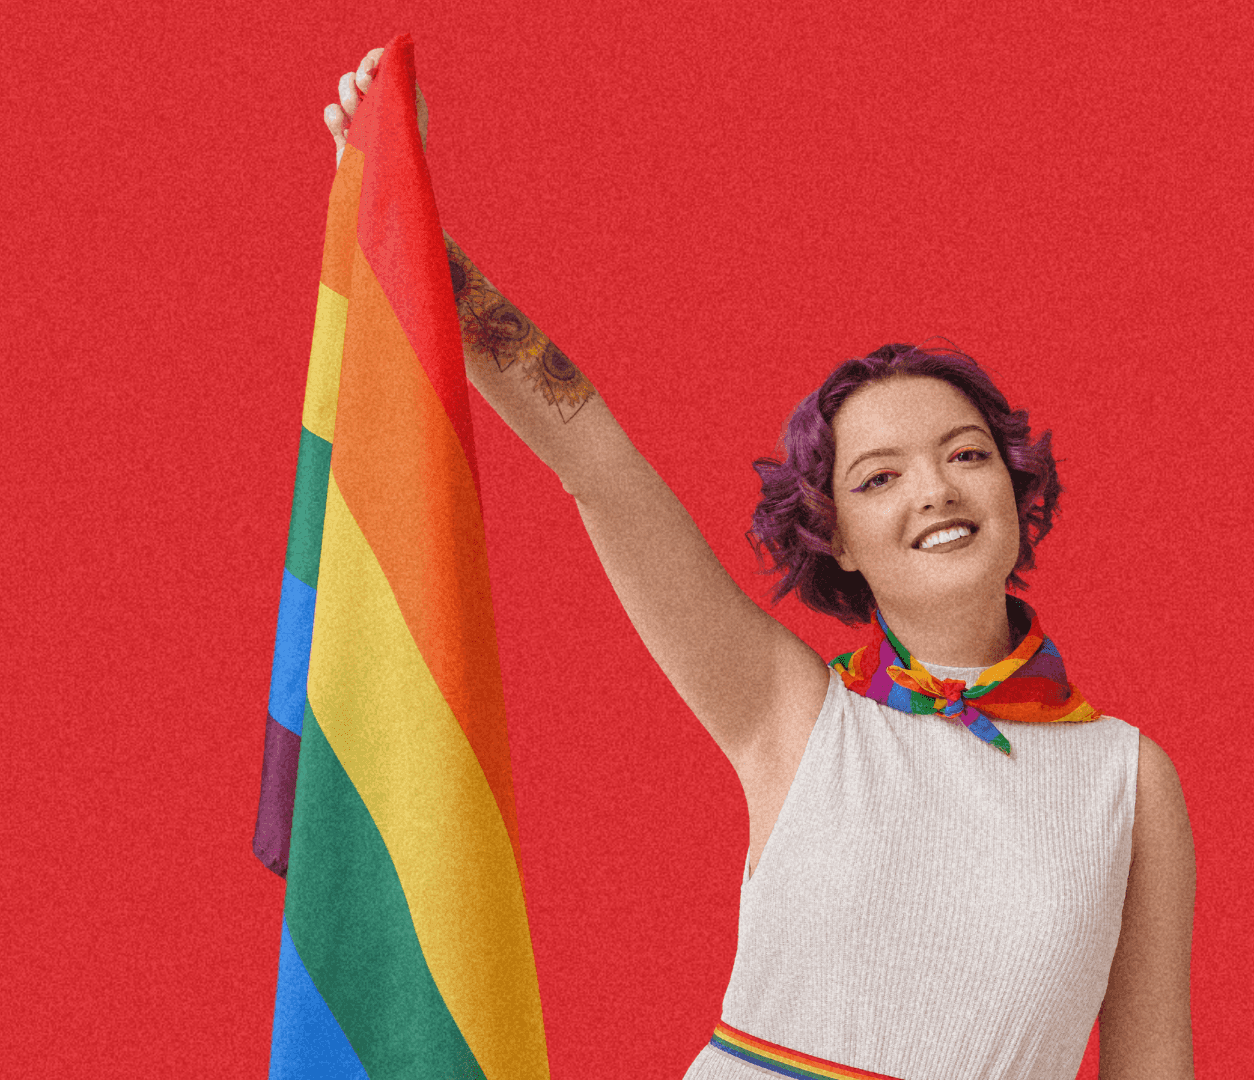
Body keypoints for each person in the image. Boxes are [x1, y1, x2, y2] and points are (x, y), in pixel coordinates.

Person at [324, 47, 1195, 1080]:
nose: (934, 490)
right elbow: (593, 458)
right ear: (838, 541)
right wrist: (415, 221)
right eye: (880, 478)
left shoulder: (1125, 781)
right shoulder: (794, 712)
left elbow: (1153, 1066)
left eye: (966, 455)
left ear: (1014, 488)